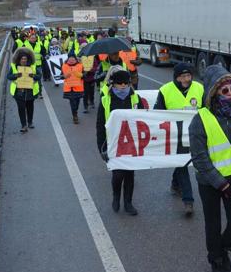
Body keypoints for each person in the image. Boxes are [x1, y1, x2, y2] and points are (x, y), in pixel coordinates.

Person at [188, 65, 231, 272]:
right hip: (210, 182)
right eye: (224, 90)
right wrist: (220, 184)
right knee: (213, 224)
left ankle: (222, 248)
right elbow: (200, 159)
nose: (230, 94)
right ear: (214, 92)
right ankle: (216, 260)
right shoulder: (200, 120)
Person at [154, 63, 204, 216]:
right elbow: (157, 113)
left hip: (195, 134)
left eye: (188, 75)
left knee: (187, 162)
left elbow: (207, 108)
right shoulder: (165, 90)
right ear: (176, 77)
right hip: (176, 135)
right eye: (182, 76)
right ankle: (188, 200)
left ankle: (175, 184)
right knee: (182, 163)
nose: (186, 79)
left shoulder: (199, 88)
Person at [96, 69, 148, 216]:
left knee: (130, 174)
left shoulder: (136, 98)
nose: (123, 86)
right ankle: (116, 196)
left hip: (131, 143)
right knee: (118, 174)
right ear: (113, 84)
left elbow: (144, 120)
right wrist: (101, 147)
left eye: (126, 83)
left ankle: (128, 203)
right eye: (120, 83)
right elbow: (100, 125)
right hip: (113, 142)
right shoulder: (106, 100)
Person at [7, 47, 41, 133]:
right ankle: (23, 125)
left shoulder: (32, 66)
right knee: (21, 108)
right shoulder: (14, 67)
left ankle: (30, 122)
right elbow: (9, 76)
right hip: (19, 91)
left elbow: (39, 76)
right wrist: (16, 75)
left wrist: (33, 76)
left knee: (30, 107)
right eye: (22, 59)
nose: (24, 60)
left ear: (28, 59)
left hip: (30, 91)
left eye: (25, 59)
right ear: (19, 59)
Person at [62, 52, 85, 124]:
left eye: (73, 58)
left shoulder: (80, 65)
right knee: (72, 103)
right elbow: (60, 76)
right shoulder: (64, 66)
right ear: (68, 58)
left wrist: (80, 75)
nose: (71, 59)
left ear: (75, 58)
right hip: (69, 88)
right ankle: (75, 116)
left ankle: (75, 112)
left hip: (78, 88)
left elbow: (85, 75)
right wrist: (64, 76)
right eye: (70, 58)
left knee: (77, 102)